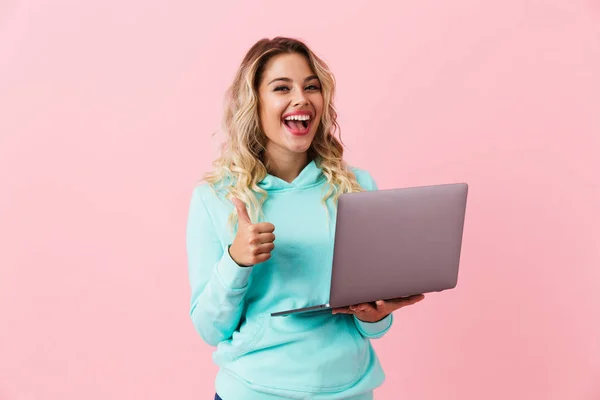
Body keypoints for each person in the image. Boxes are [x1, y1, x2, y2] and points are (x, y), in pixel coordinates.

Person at [186, 36, 425, 400]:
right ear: (254, 102)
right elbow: (209, 329)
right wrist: (236, 261)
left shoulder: (358, 186)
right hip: (252, 392)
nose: (301, 98)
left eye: (311, 86)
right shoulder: (215, 197)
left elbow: (371, 328)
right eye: (282, 88)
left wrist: (374, 314)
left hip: (350, 390)